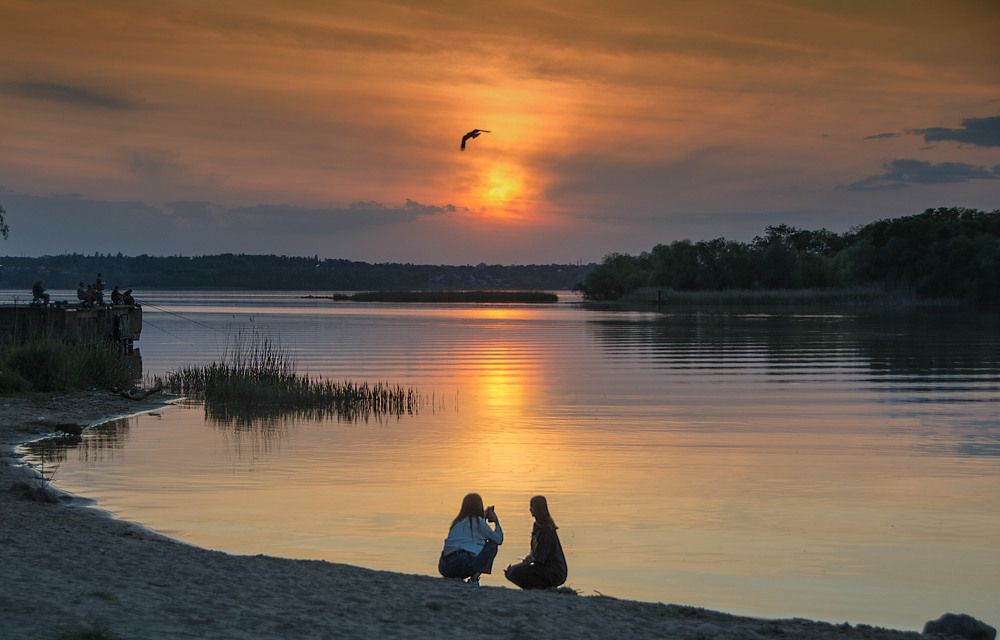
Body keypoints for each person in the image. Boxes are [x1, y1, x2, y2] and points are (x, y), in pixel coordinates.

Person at [504, 495, 567, 590]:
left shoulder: (546, 530)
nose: (530, 509)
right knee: (512, 571)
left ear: (538, 509)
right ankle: (535, 588)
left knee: (515, 572)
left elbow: (541, 557)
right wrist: (528, 559)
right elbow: (535, 551)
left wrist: (526, 562)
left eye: (532, 507)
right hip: (543, 567)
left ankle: (538, 588)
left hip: (554, 571)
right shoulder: (537, 526)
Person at [439, 493, 503, 585]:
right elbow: (498, 539)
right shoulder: (477, 521)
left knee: (478, 545)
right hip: (461, 565)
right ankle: (474, 579)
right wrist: (496, 521)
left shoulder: (457, 522)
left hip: (445, 567)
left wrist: (483, 518)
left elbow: (474, 536)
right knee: (492, 545)